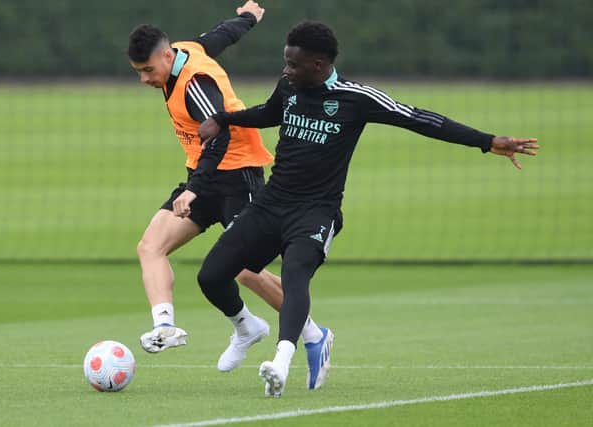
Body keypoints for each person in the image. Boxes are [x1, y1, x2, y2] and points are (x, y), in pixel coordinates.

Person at [191, 21, 540, 397]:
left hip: (315, 211)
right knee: (211, 276)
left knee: (295, 273)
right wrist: (224, 118)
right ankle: (247, 328)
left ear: (320, 65)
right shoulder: (289, 87)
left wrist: (487, 142)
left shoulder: (357, 98)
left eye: (294, 64)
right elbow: (269, 113)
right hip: (271, 203)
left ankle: (283, 359)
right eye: (286, 62)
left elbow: (420, 119)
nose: (286, 71)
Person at [125, 2, 333, 385]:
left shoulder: (196, 86)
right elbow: (221, 36)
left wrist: (193, 190)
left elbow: (217, 136)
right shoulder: (189, 51)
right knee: (150, 246)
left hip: (239, 176)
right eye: (138, 73)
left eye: (148, 71)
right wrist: (248, 17)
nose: (144, 80)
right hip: (202, 178)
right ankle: (168, 327)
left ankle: (315, 336)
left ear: (166, 56)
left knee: (244, 270)